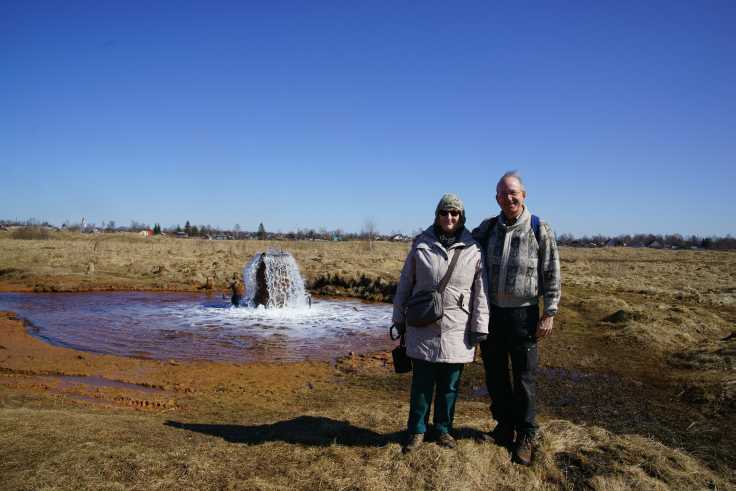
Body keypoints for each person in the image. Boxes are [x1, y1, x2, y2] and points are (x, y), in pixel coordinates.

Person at [472, 171, 561, 466]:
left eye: (513, 193)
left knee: (524, 377)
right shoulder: (487, 229)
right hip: (492, 313)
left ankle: (526, 433)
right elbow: (462, 249)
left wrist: (549, 312)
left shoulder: (539, 228)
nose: (508, 198)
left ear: (523, 195)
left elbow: (551, 271)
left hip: (524, 315)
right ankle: (504, 425)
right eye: (502, 194)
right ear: (496, 198)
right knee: (495, 374)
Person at [393, 193, 489, 453]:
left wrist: (480, 327)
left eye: (454, 213)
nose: (449, 218)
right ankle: (416, 430)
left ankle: (443, 429)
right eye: (444, 213)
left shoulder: (474, 249)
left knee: (449, 385)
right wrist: (398, 317)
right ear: (437, 215)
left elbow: (480, 291)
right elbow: (405, 282)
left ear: (461, 217)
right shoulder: (421, 244)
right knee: (422, 383)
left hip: (458, 327)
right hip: (423, 324)